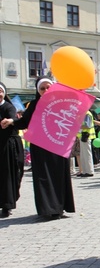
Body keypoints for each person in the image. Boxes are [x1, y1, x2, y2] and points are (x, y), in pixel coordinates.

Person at [1, 77, 75, 219]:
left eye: (48, 87)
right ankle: (48, 209)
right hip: (40, 146)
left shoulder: (62, 102)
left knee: (59, 175)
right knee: (44, 177)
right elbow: (24, 122)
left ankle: (59, 207)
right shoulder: (34, 104)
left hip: (57, 144)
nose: (46, 90)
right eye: (42, 88)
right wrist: (12, 121)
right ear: (38, 91)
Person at [0, 82, 24, 217]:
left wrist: (10, 121)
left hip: (8, 145)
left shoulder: (9, 107)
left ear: (4, 93)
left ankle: (6, 204)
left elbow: (14, 119)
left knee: (7, 174)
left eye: (0, 91)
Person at [77, 110, 95, 177]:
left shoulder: (87, 114)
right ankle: (85, 171)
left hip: (86, 136)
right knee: (83, 155)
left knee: (87, 155)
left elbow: (88, 125)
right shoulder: (84, 113)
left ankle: (89, 171)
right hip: (83, 136)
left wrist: (77, 126)